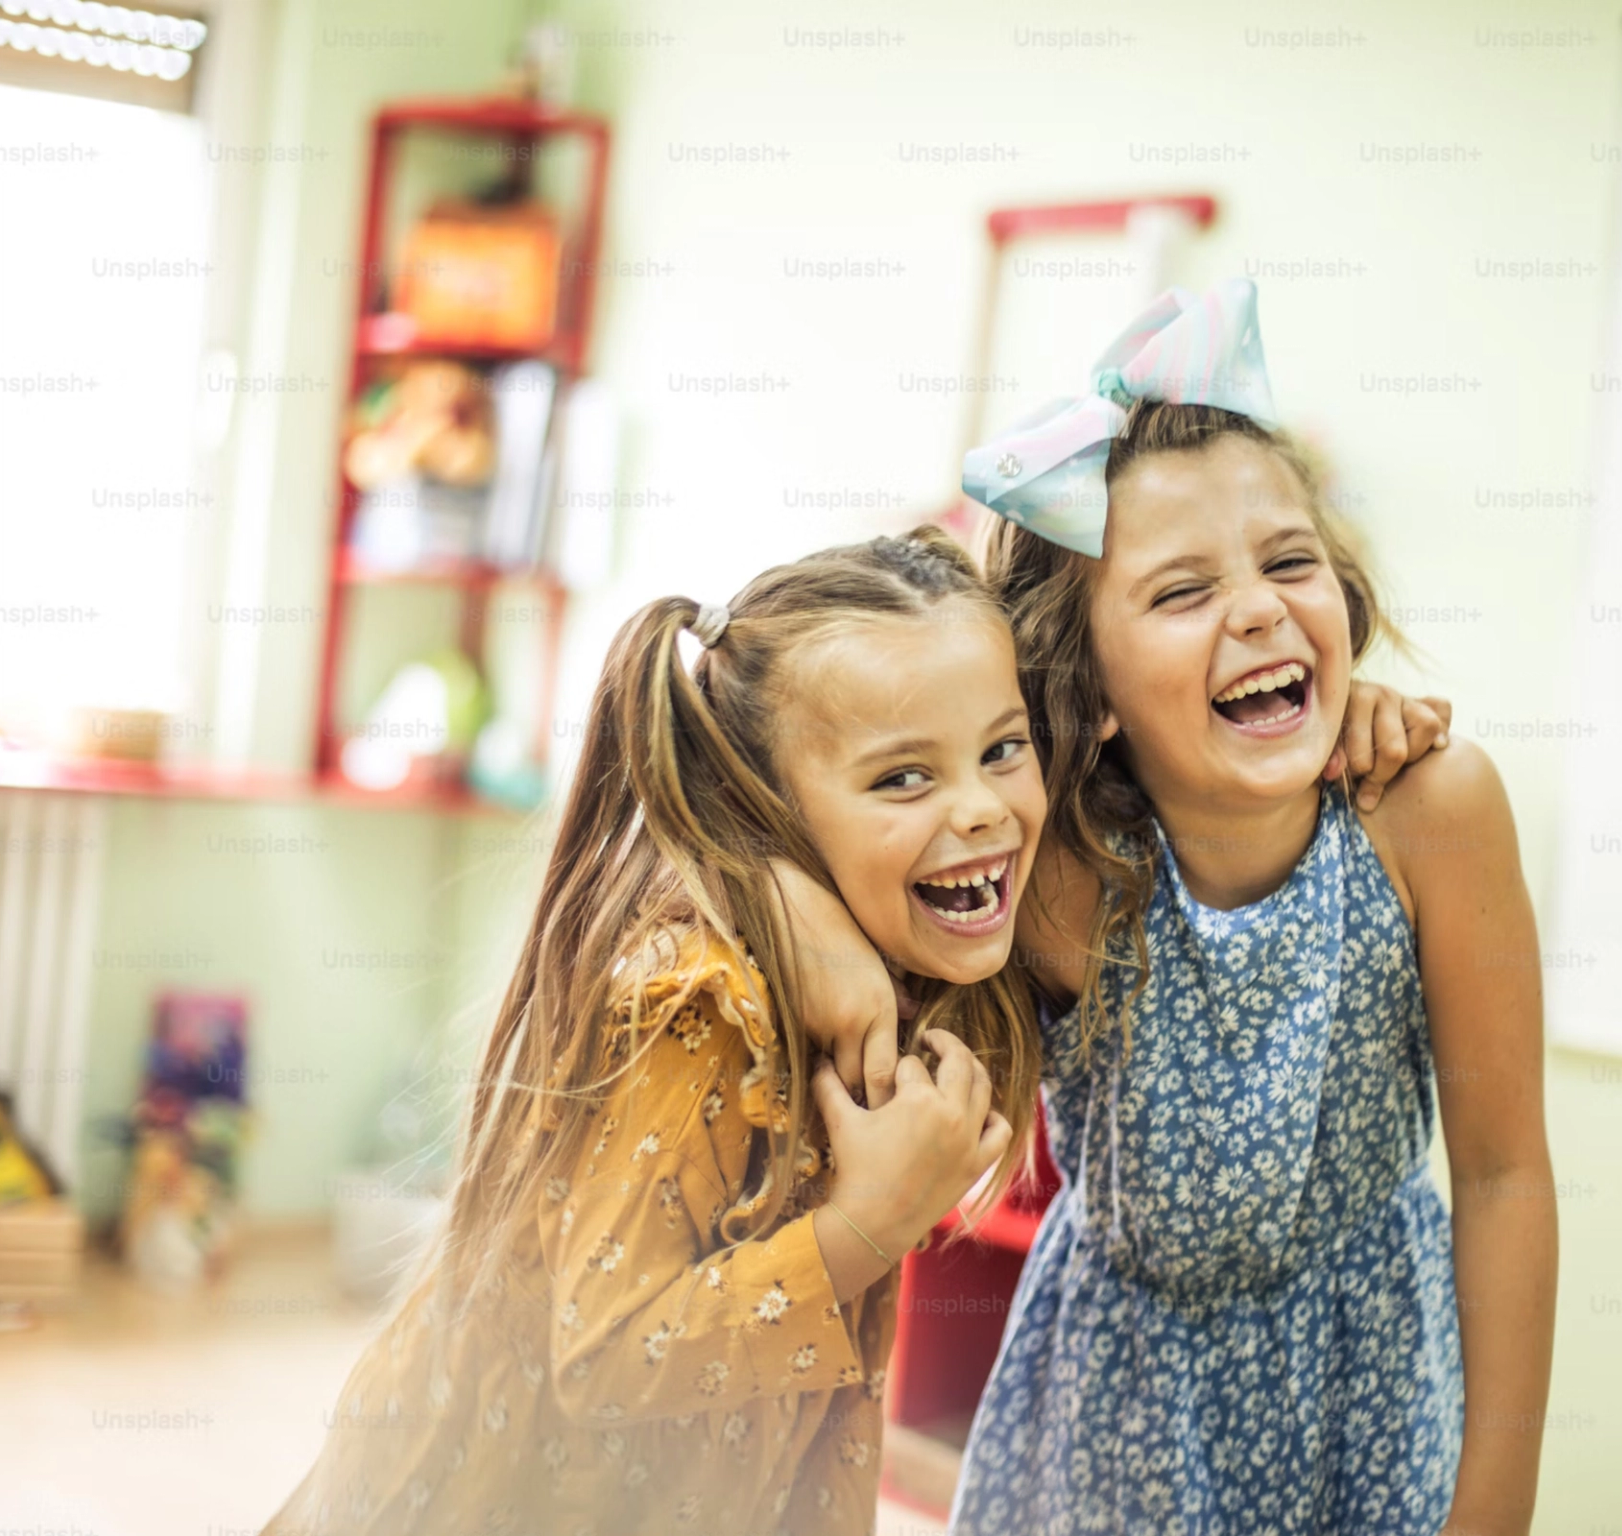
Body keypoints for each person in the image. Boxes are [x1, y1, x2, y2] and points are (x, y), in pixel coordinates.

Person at [797, 280, 1549, 1534]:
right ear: (1087, 688)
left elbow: (1508, 1174)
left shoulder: (1431, 812)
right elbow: (787, 795)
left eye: (1289, 561)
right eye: (1184, 590)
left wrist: (1496, 1510)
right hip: (1111, 1432)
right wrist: (817, 924)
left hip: (1372, 1414)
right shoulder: (1052, 869)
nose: (1257, 606)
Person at [266, 529, 1045, 1536]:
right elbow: (609, 1355)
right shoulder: (699, 1001)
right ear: (759, 806)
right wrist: (868, 1229)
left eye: (1003, 748)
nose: (984, 808)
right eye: (903, 777)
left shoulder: (904, 953)